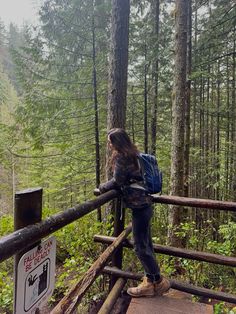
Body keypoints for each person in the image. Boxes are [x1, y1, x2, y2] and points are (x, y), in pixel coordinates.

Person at [99, 128, 170, 297]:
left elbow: (118, 180)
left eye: (110, 142)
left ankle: (157, 281)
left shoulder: (122, 156)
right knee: (146, 244)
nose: (109, 145)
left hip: (139, 206)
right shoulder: (134, 154)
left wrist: (102, 187)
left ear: (117, 142)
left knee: (139, 246)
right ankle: (152, 280)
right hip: (145, 204)